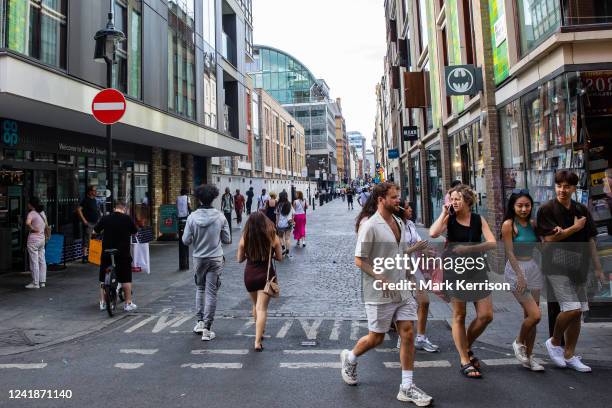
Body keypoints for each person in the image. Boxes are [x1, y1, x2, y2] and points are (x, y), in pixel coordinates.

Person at [341, 182, 432, 406]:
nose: (398, 201)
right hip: (379, 291)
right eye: (393, 197)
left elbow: (398, 252)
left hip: (401, 288)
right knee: (377, 338)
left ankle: (407, 387)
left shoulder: (399, 222)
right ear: (381, 199)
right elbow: (359, 259)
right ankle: (350, 358)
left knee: (408, 333)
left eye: (398, 197)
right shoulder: (370, 226)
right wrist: (380, 277)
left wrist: (414, 250)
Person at [537, 170, 605, 372]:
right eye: (559, 186)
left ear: (574, 188)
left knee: (578, 314)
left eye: (567, 186)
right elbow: (548, 240)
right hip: (556, 267)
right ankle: (555, 341)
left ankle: (570, 354)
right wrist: (573, 229)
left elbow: (590, 240)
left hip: (580, 267)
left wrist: (599, 268)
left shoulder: (581, 209)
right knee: (572, 308)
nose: (562, 190)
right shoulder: (547, 209)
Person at [429, 184, 496, 379]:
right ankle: (464, 359)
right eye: (451, 199)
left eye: (457, 198)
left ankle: (464, 346)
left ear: (468, 200)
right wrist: (443, 213)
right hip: (455, 272)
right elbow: (433, 233)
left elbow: (491, 242)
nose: (454, 202)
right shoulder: (449, 220)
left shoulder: (478, 219)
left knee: (486, 315)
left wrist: (469, 250)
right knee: (459, 315)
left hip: (476, 270)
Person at [501, 189, 544, 371]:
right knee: (536, 315)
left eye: (527, 205)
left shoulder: (533, 224)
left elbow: (540, 246)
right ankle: (519, 342)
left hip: (533, 268)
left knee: (531, 317)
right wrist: (519, 275)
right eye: (520, 205)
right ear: (513, 206)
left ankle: (530, 356)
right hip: (515, 269)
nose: (524, 209)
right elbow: (509, 252)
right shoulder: (509, 225)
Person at [182, 184, 231, 341]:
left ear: (198, 198)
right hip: (215, 258)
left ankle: (200, 322)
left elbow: (185, 240)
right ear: (214, 198)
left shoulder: (192, 217)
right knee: (211, 292)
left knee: (200, 289)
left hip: (199, 258)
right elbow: (227, 239)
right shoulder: (220, 217)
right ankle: (208, 330)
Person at [397, 200, 439, 353]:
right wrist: (415, 248)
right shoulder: (395, 226)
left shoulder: (410, 224)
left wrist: (426, 251)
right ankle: (404, 336)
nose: (411, 210)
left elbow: (419, 241)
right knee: (405, 305)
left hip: (414, 269)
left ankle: (420, 338)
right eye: (408, 208)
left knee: (424, 301)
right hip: (400, 270)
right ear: (400, 209)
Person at [237, 212, 283, 351]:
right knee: (262, 308)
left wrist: (249, 255)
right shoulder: (272, 236)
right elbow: (280, 257)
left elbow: (239, 259)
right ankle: (257, 341)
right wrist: (270, 255)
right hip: (266, 276)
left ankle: (259, 331)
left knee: (255, 305)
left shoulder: (245, 237)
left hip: (249, 275)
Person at [94, 202, 138, 311]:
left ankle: (103, 303)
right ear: (125, 209)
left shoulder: (105, 218)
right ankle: (128, 303)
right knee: (126, 278)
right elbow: (135, 232)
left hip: (107, 252)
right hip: (123, 253)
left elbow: (95, 231)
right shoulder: (127, 219)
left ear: (114, 208)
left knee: (103, 279)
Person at [25, 197, 48, 289]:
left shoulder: (31, 213)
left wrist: (32, 229)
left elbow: (27, 223)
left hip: (33, 240)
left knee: (34, 261)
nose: (27, 205)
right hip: (42, 239)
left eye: (28, 203)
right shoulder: (42, 213)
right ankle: (42, 282)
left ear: (31, 205)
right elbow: (46, 225)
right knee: (42, 260)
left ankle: (35, 283)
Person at [77, 185, 100, 263]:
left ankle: (92, 256)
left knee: (93, 239)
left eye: (95, 190)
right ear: (89, 191)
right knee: (87, 239)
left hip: (95, 223)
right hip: (89, 223)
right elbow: (79, 209)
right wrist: (84, 220)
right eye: (94, 190)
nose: (95, 192)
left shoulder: (94, 200)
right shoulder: (86, 200)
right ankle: (85, 256)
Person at [276, 191, 294, 257]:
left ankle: (283, 247)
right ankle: (287, 251)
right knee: (287, 238)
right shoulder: (289, 204)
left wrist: (276, 223)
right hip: (288, 224)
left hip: (281, 224)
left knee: (280, 237)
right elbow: (293, 214)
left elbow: (277, 215)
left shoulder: (278, 205)